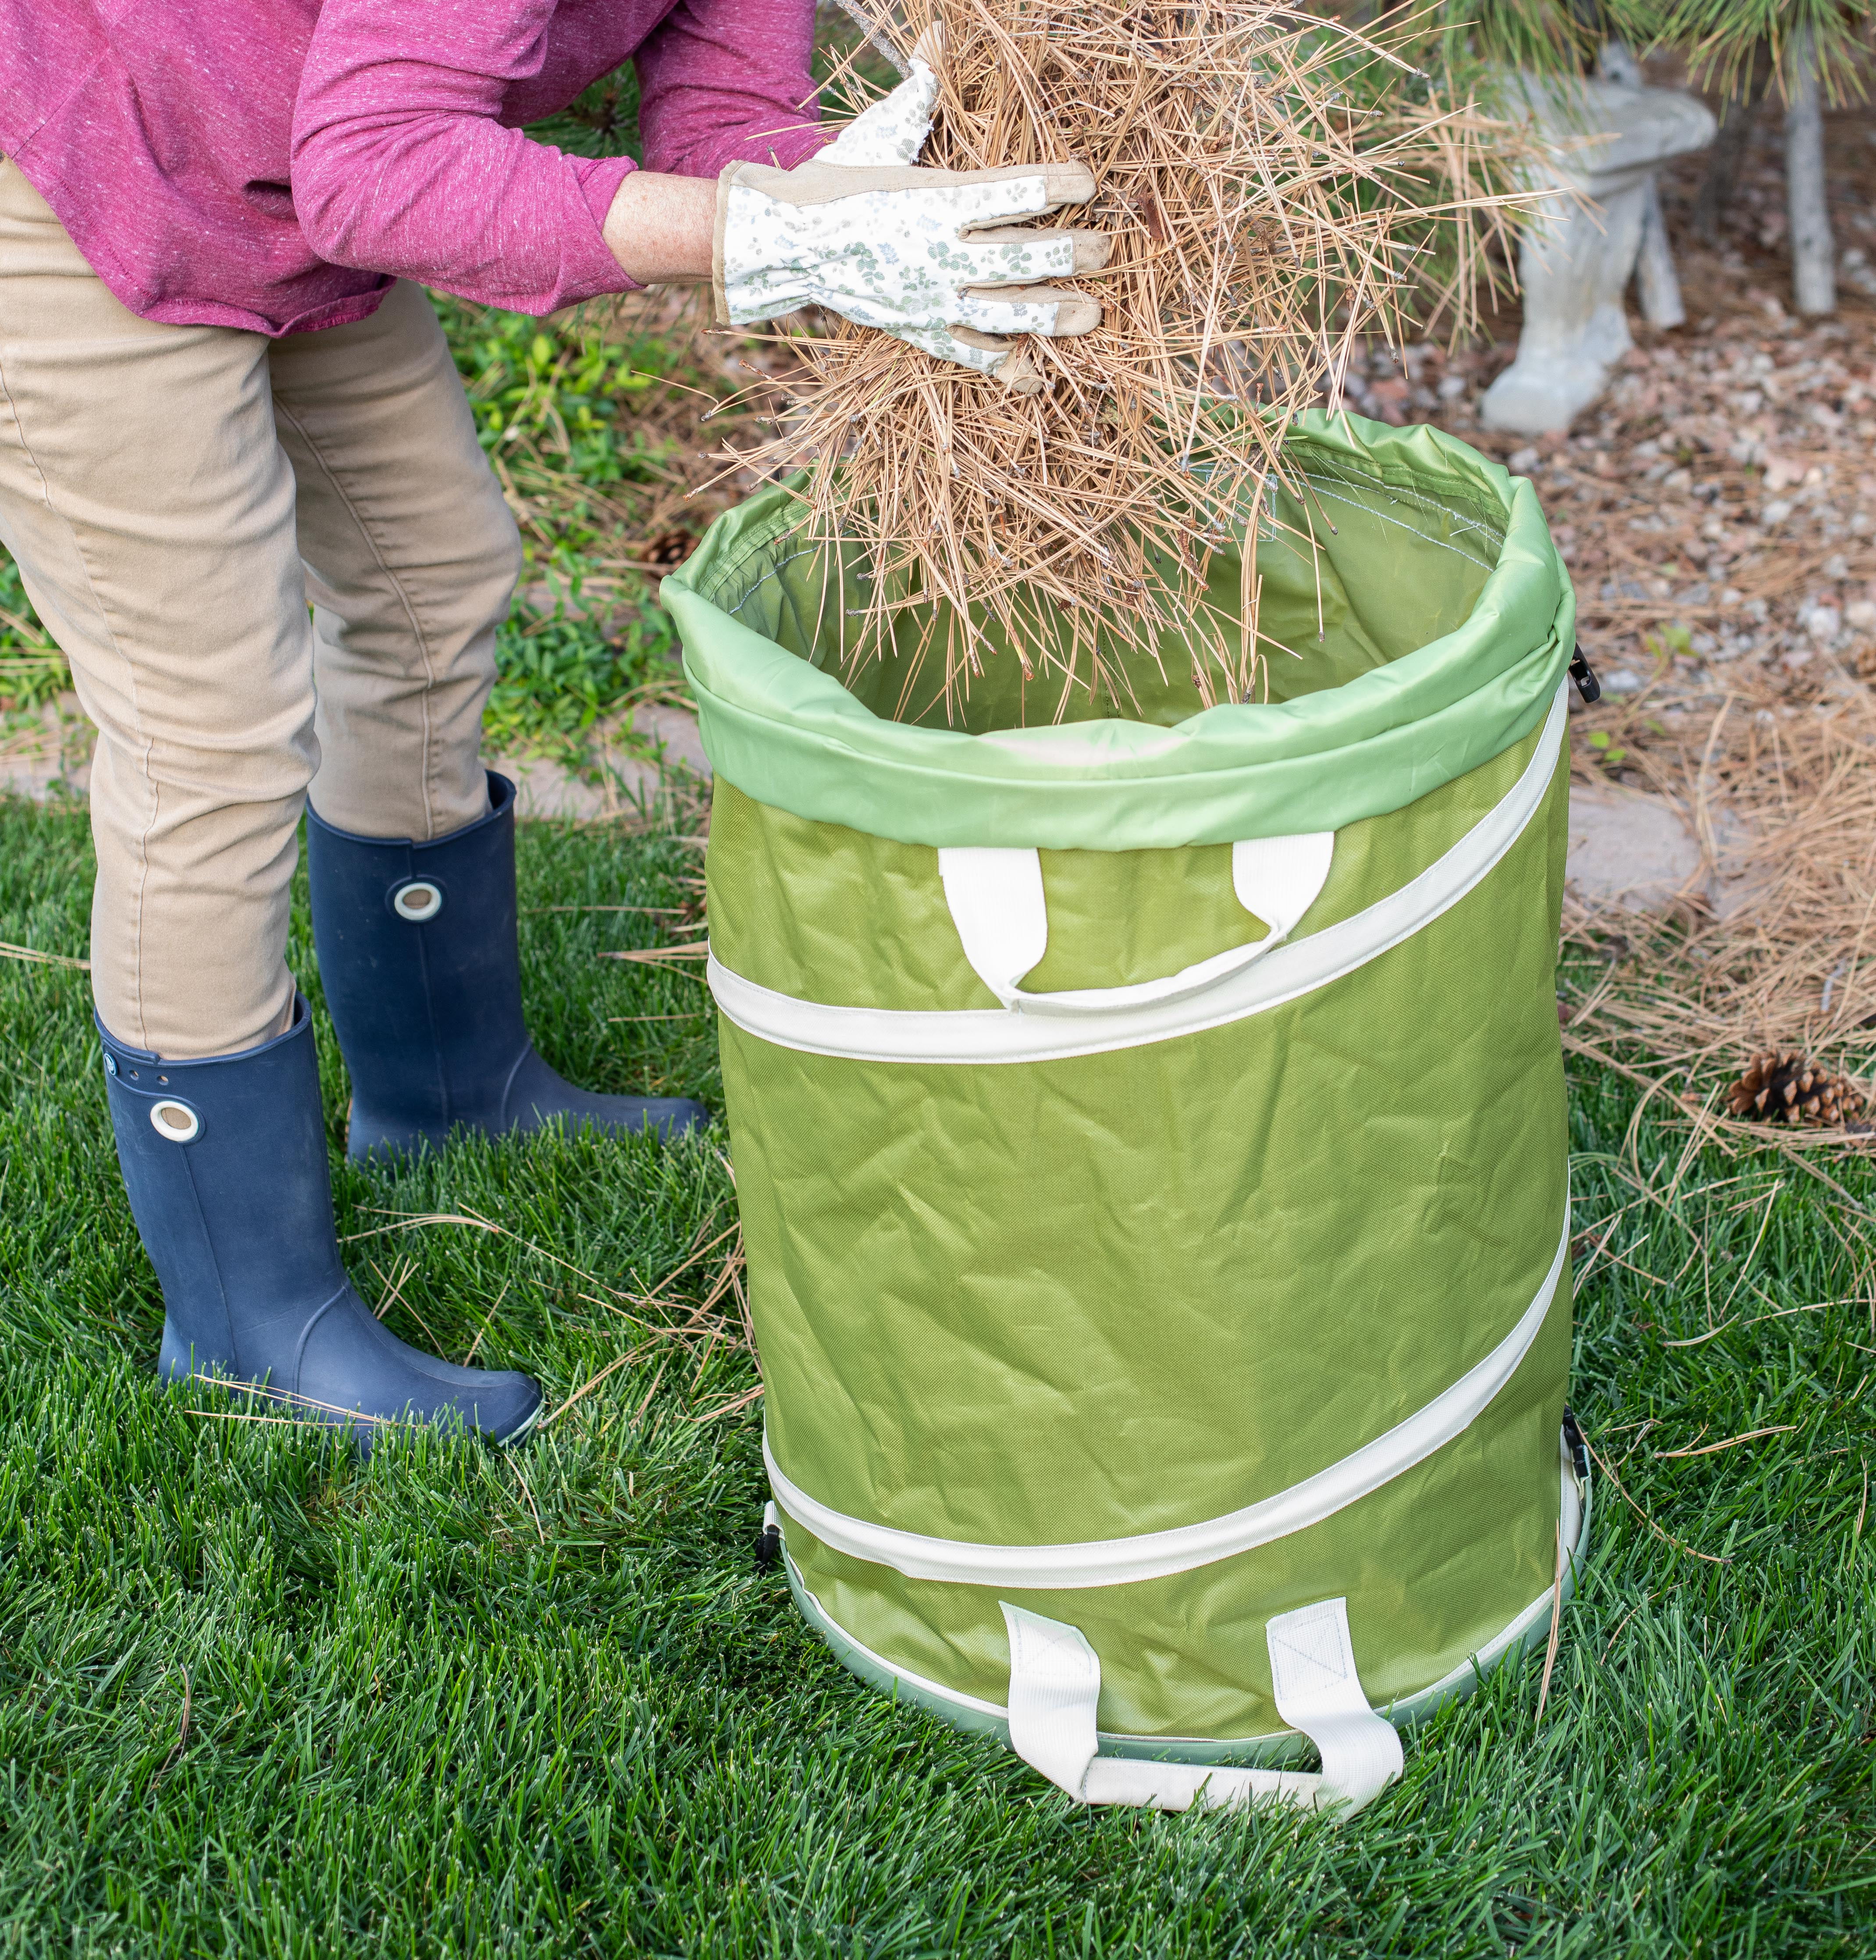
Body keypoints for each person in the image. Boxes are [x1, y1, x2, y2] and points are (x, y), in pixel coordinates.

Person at [0, 3, 1104, 1446]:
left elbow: (724, 134)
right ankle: (243, 1322)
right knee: (210, 726)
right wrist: (760, 235)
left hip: (284, 175)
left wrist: (835, 198)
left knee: (428, 580)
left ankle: (446, 1096)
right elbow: (381, 172)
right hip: (81, 178)